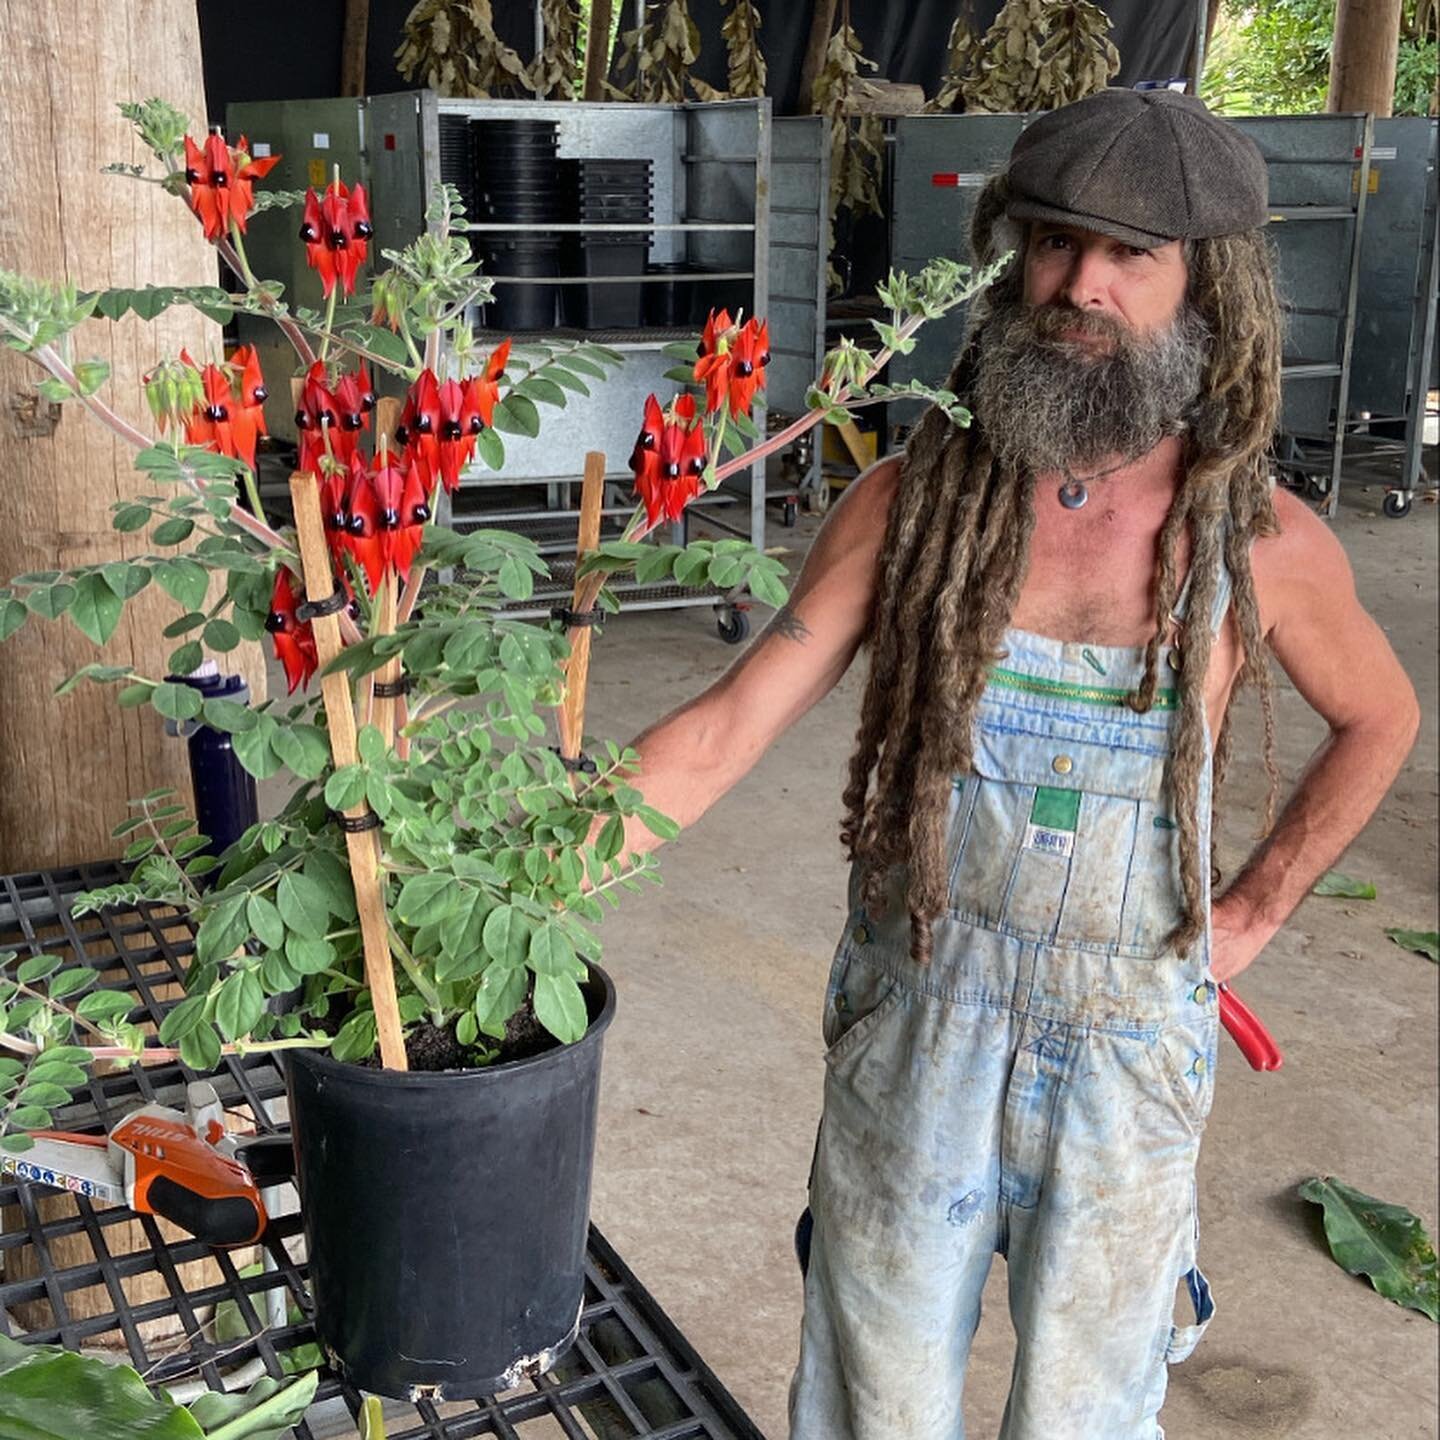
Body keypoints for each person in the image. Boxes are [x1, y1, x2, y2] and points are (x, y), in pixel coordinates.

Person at [609, 89, 1419, 1438]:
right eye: (1052, 240)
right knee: (875, 1394)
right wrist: (509, 875)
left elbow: (1383, 715)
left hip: (1127, 1054)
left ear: (1206, 286)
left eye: (1129, 256)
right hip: (918, 1015)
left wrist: (1253, 912)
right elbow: (719, 733)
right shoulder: (916, 502)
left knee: (1088, 1409)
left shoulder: (1257, 542)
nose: (1080, 283)